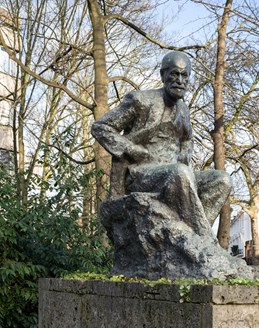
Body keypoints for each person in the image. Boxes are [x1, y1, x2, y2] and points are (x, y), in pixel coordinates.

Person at [91, 51, 231, 237]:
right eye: (174, 74)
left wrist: (185, 152)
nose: (180, 80)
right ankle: (203, 240)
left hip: (176, 174)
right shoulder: (140, 101)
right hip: (142, 174)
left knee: (221, 180)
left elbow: (187, 139)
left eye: (184, 75)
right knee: (180, 172)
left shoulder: (183, 109)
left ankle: (191, 235)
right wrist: (131, 149)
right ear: (163, 75)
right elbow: (101, 127)